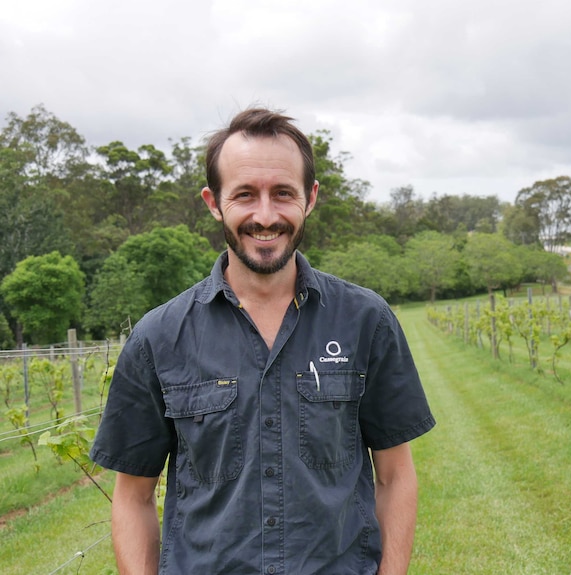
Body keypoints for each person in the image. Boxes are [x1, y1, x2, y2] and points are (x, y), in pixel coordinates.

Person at [90, 108, 436, 575]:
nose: (266, 215)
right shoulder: (158, 338)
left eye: (283, 194)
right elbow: (132, 497)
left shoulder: (365, 321)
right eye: (246, 195)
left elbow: (395, 476)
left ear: (310, 198)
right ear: (214, 202)